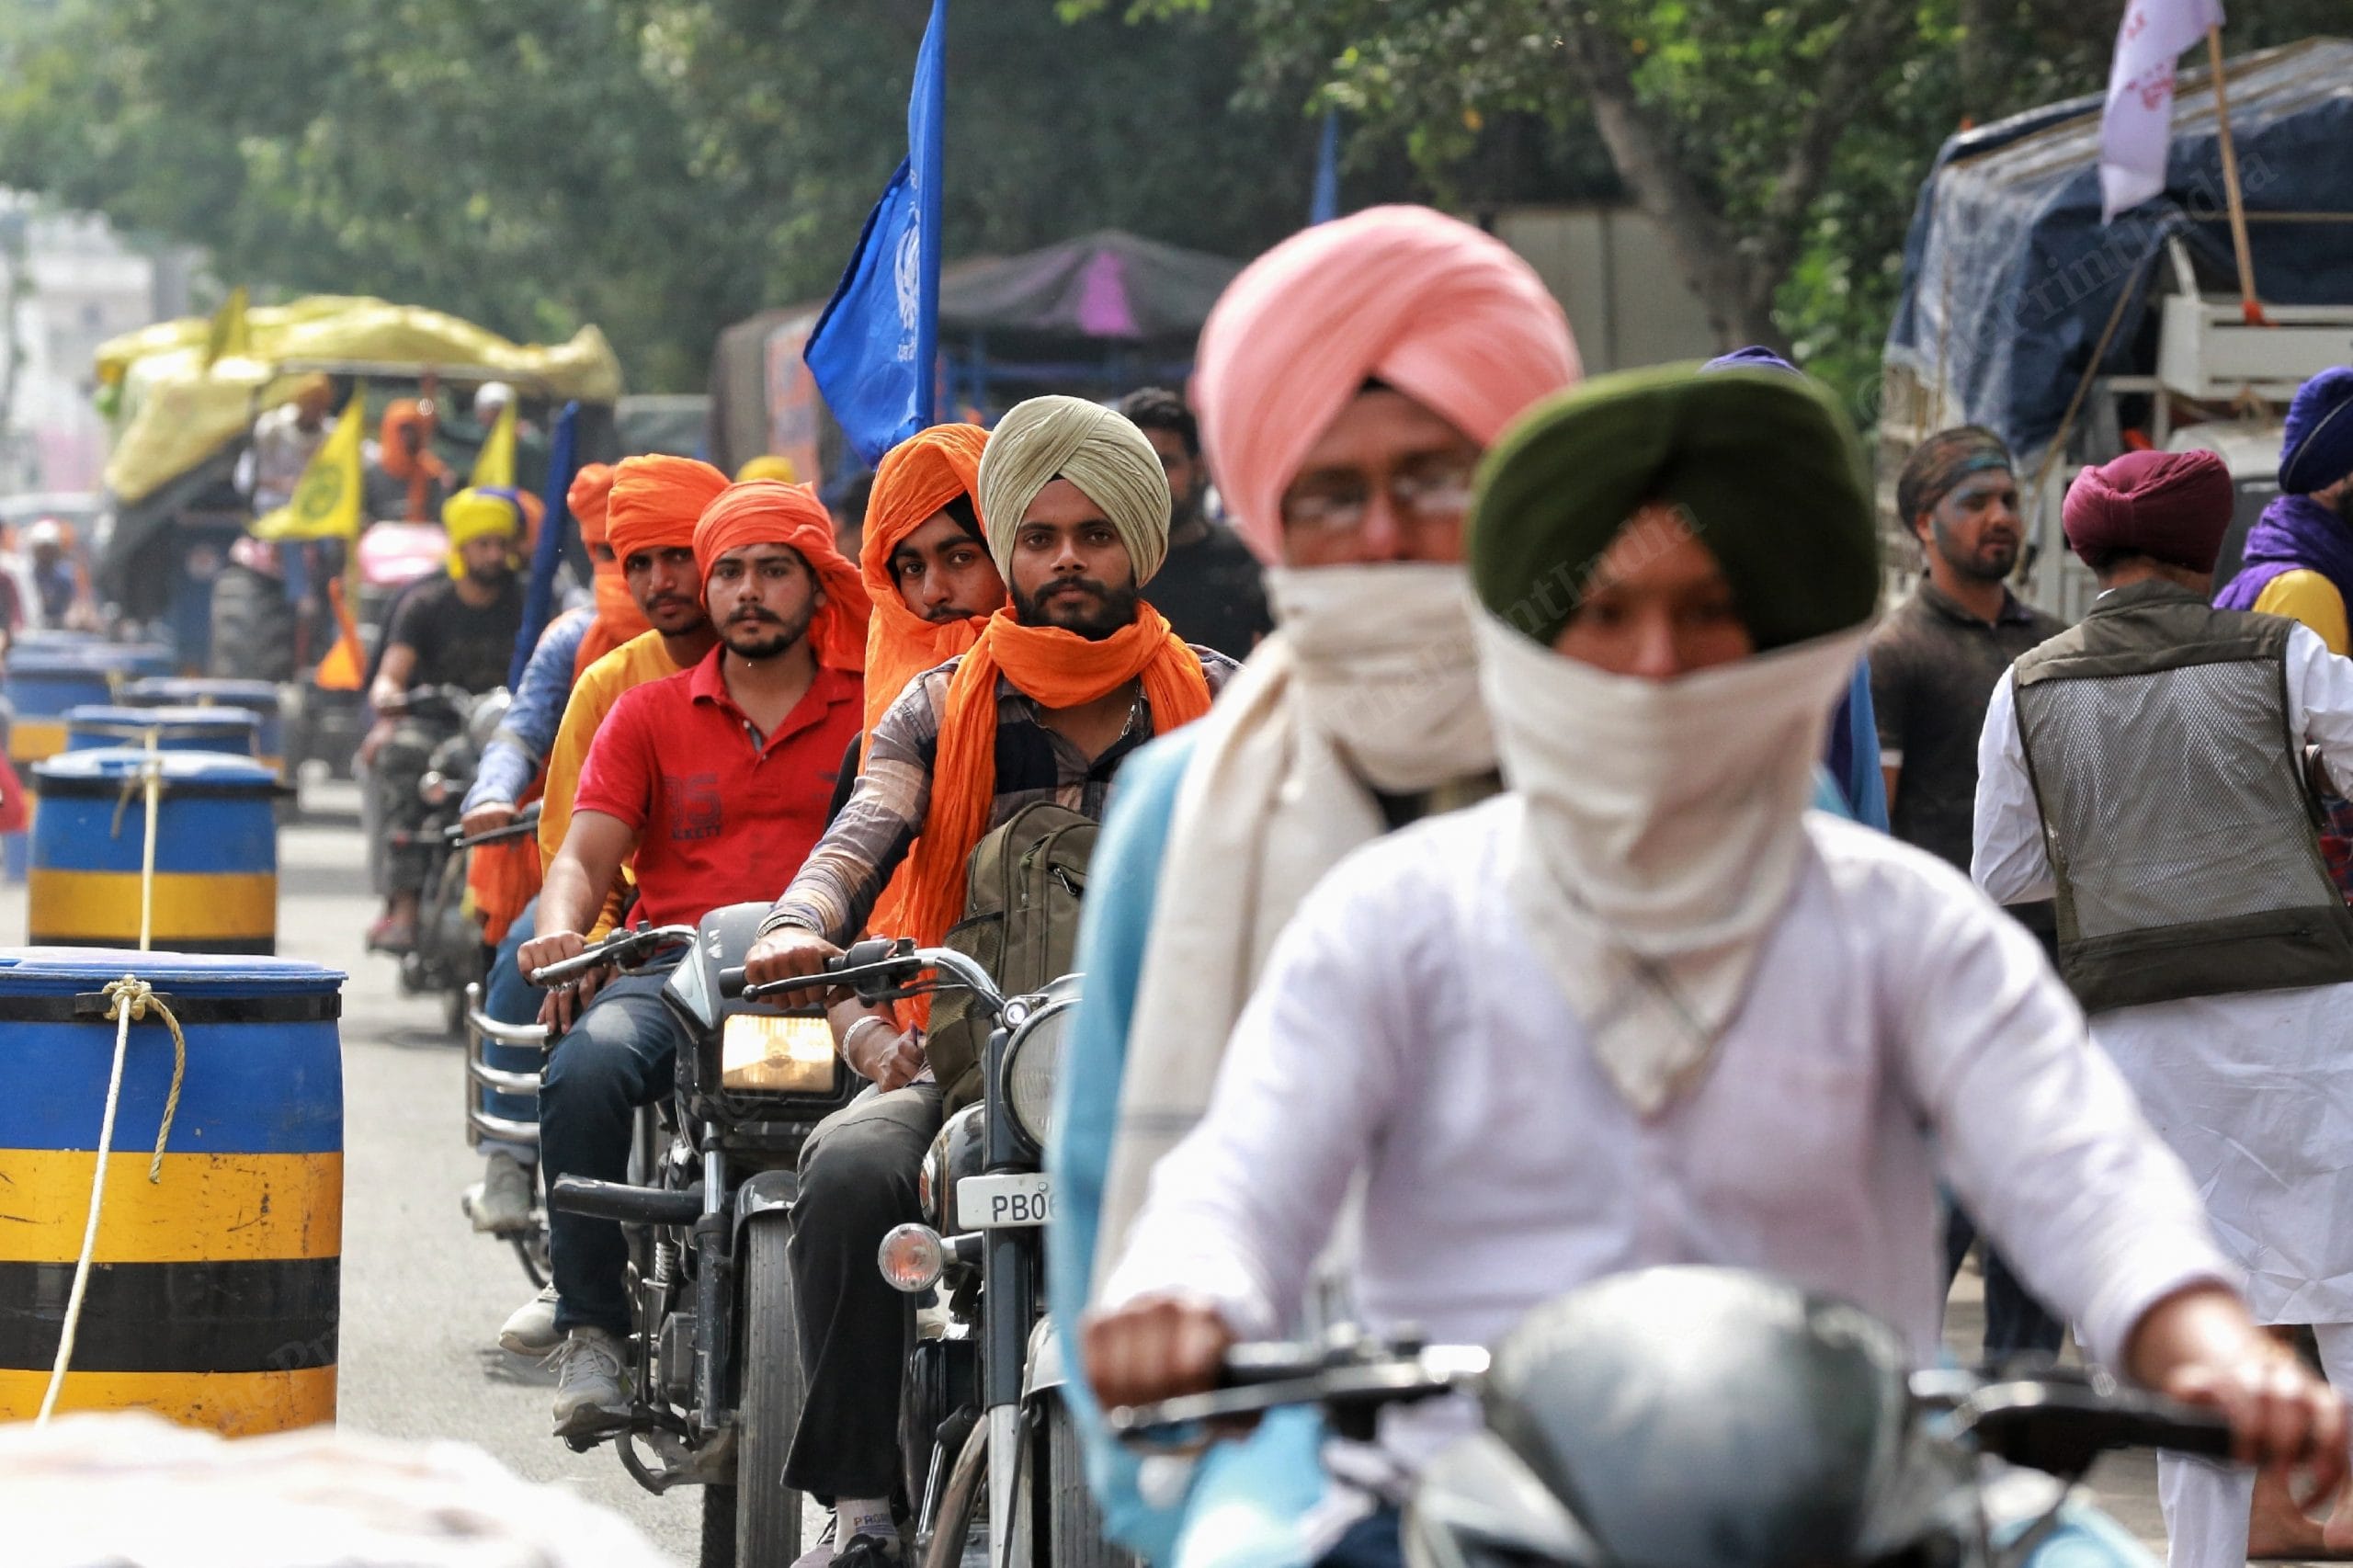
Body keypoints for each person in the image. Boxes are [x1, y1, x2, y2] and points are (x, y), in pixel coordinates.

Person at [1084, 366, 2347, 1568]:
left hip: (1867, 1501)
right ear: (1534, 637)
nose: (1655, 664)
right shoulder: (1396, 916)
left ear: (1784, 638)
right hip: (1452, 1495)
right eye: (1608, 614)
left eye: (1707, 614)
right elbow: (1246, 1168)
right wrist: (1184, 1289)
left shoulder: (1904, 921)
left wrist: (2202, 1334)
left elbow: (2083, 1169)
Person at [1048, 205, 1579, 1562]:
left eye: (1439, 478)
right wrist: (1167, 1497)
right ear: (1275, 510)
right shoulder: (1183, 807)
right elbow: (1115, 1184)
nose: (1390, 531)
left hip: (1651, 1428)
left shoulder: (1699, 761)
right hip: (1291, 1434)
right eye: (1335, 495)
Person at [738, 395, 1237, 1568]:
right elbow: (859, 836)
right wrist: (801, 921)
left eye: (1095, 534)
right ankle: (862, 1504)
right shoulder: (938, 704)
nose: (1067, 560)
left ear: (1141, 545)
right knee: (851, 1171)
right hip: (979, 1072)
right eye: (1042, 536)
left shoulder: (1223, 701)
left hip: (1180, 1074)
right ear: (1012, 549)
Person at [1974, 448, 2353, 1568]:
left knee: (2189, 1321)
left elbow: (2001, 870)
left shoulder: (2029, 680)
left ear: (2086, 548)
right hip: (2307, 1030)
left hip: (2140, 1045)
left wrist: (2135, 860)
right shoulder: (2282, 649)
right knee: (2341, 1288)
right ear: (2208, 549)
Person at [516, 479, 870, 1437]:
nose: (748, 591)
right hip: (670, 978)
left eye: (773, 570)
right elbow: (583, 857)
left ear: (815, 584)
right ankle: (591, 1321)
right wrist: (565, 928)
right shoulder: (646, 712)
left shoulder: (876, 706)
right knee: (582, 1066)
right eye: (731, 573)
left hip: (838, 986)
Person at [491, 454, 727, 1358]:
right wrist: (579, 945)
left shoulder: (842, 681)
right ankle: (587, 1298)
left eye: (683, 555)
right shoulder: (615, 690)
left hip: (808, 960)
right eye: (641, 562)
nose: (664, 581)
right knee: (580, 1059)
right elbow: (577, 851)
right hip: (654, 953)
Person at [1868, 426, 2068, 1361]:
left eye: (2008, 500)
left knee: (2034, 1219)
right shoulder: (1896, 654)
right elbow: (1879, 823)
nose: (1998, 518)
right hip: (1936, 982)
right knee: (1928, 1223)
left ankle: (2023, 1452)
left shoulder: (2054, 650)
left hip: (2044, 974)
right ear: (1923, 524)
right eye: (1973, 502)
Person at [455, 462, 648, 1238]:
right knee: (521, 960)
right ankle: (509, 1154)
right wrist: (490, 794)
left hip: (693, 879)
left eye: (660, 554)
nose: (637, 578)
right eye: (614, 557)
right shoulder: (573, 642)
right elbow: (521, 731)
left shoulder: (728, 639)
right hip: (594, 859)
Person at [362, 486, 528, 953]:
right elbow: (390, 676)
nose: (494, 554)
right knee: (401, 755)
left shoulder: (528, 604)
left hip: (510, 728)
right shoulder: (426, 605)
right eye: (483, 544)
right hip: (440, 726)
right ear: (462, 547)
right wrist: (390, 696)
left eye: (502, 543)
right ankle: (405, 910)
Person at [2214, 366, 2353, 896]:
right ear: (2337, 479)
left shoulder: (2306, 568)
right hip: (2307, 900)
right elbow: (2326, 773)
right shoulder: (2305, 588)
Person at [1115, 387, 1271, 659]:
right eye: (1137, 464)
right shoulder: (1105, 565)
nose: (1153, 480)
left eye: (1166, 463)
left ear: (1198, 468)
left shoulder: (1248, 555)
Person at [365, 397, 452, 522]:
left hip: (424, 535)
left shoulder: (432, 473)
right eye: (403, 429)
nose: (408, 435)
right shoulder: (373, 475)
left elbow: (440, 514)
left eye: (413, 429)